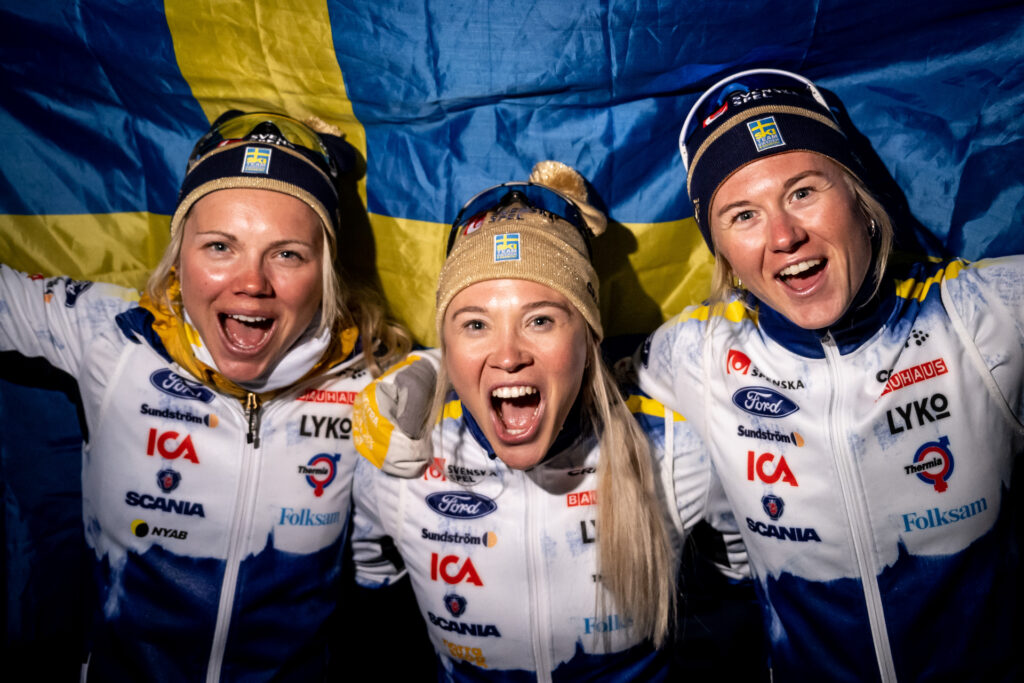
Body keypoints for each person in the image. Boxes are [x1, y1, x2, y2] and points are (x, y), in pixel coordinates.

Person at [634, 68, 1022, 681]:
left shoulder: (981, 315)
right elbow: (569, 381)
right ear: (723, 253)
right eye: (743, 215)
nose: (785, 236)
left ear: (860, 201)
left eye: (803, 192)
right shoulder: (694, 356)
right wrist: (429, 374)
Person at [0, 111, 413, 681]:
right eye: (221, 246)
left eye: (288, 253)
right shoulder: (113, 336)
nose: (252, 282)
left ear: (325, 272)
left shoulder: (373, 383)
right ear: (180, 254)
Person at [350, 161, 747, 680]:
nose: (509, 354)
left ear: (588, 336)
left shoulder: (674, 449)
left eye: (540, 319)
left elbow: (738, 610)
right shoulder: (396, 459)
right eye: (475, 324)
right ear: (446, 344)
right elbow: (374, 616)